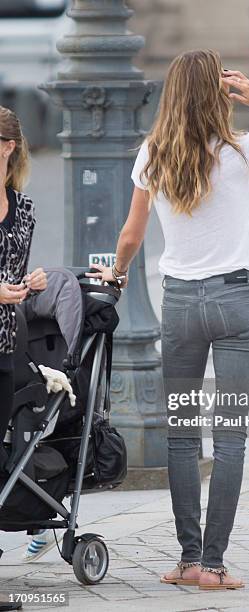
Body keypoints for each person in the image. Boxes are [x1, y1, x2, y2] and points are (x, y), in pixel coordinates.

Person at [87, 49, 249, 590]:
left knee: (180, 438)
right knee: (232, 438)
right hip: (239, 301)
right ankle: (215, 567)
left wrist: (120, 275)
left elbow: (130, 235)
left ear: (171, 92)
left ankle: (188, 560)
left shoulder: (153, 154)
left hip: (180, 304)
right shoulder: (241, 149)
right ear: (219, 90)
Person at [0, 106, 49, 580]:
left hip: (5, 343)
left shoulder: (25, 208)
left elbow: (14, 272)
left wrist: (28, 282)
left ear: (8, 146)